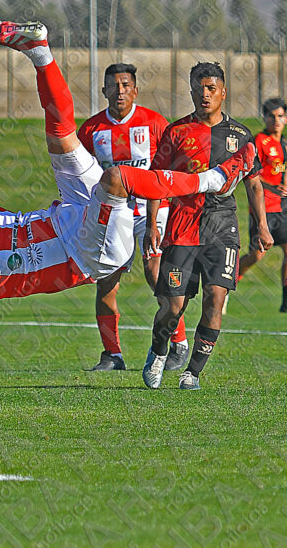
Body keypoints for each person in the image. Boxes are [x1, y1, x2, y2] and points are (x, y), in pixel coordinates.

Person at [0, 21, 255, 417]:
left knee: (60, 138)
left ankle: (39, 51)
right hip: (88, 254)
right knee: (115, 178)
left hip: (71, 211)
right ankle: (211, 180)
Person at [143, 61, 272, 391]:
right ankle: (159, 352)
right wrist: (151, 225)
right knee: (173, 305)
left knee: (215, 297)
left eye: (211, 89)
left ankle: (193, 373)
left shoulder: (241, 136)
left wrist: (262, 225)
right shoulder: (177, 132)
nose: (205, 94)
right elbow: (157, 181)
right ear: (191, 92)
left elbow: (254, 184)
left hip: (222, 227)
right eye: (199, 89)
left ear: (223, 92)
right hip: (182, 225)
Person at [76, 63, 188, 371]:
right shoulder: (90, 130)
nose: (120, 90)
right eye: (114, 85)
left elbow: (167, 172)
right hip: (113, 214)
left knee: (155, 272)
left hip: (153, 209)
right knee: (105, 283)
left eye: (126, 85)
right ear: (104, 90)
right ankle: (112, 355)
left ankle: (178, 342)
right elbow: (81, 175)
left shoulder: (155, 123)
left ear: (135, 90)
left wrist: (157, 219)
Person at [235, 97, 287, 314]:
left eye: (280, 116)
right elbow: (251, 173)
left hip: (282, 208)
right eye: (271, 116)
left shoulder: (285, 144)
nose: (276, 120)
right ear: (265, 118)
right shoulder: (259, 141)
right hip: (262, 207)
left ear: (286, 119)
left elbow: (286, 173)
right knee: (257, 254)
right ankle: (225, 285)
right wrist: (271, 188)